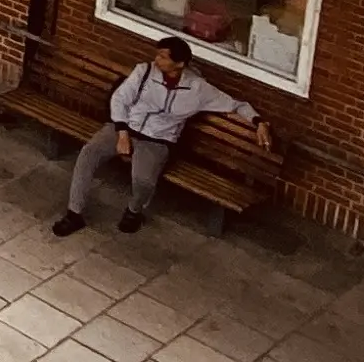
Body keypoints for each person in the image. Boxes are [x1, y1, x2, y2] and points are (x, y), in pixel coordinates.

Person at [51, 33, 261, 237]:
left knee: (143, 180)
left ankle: (134, 211)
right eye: (157, 54)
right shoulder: (143, 72)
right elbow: (119, 99)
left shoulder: (198, 89)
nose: (156, 60)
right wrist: (122, 133)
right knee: (88, 153)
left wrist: (258, 122)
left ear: (179, 64)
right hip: (125, 126)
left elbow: (237, 105)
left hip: (158, 140)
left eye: (163, 57)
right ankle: (74, 213)